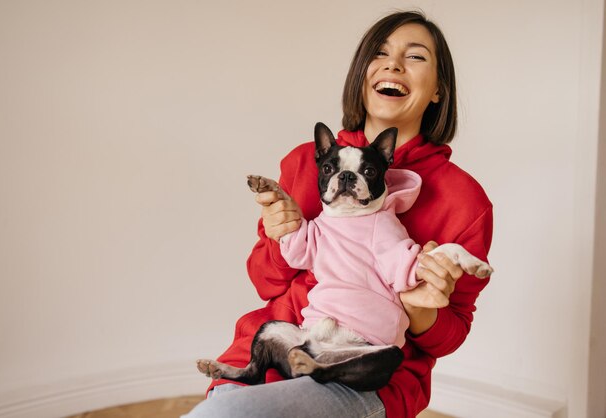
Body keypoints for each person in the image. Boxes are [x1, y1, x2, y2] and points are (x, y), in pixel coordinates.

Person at [184, 10, 493, 418]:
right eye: (379, 53)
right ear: (361, 73)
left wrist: (422, 309)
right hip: (280, 344)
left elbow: (449, 336)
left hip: (367, 370)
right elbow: (263, 280)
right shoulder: (304, 163)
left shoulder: (464, 199)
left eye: (415, 56)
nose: (394, 64)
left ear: (439, 89)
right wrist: (281, 237)